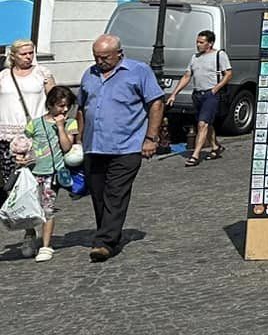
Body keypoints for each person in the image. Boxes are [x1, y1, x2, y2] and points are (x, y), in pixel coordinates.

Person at [78, 34, 166, 262]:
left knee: (115, 193)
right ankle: (109, 233)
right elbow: (81, 107)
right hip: (94, 146)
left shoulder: (138, 71)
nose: (100, 61)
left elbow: (156, 102)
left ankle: (105, 242)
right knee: (98, 194)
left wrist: (151, 138)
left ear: (119, 53)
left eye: (105, 57)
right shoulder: (90, 74)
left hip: (126, 146)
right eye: (96, 56)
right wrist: (79, 137)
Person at [23, 85, 78, 262]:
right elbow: (25, 143)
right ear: (51, 104)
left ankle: (46, 246)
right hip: (33, 171)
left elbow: (66, 146)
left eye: (67, 105)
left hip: (53, 173)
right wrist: (21, 156)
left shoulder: (70, 123)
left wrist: (61, 127)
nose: (65, 109)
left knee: (48, 208)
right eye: (61, 105)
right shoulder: (35, 124)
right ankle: (30, 236)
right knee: (30, 208)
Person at [168, 30, 231, 168]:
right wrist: (174, 93)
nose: (198, 45)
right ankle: (215, 147)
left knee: (202, 124)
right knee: (207, 123)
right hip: (197, 95)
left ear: (210, 43)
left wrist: (216, 88)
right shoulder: (194, 57)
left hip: (211, 94)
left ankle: (195, 155)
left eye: (201, 42)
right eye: (197, 42)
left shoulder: (219, 55)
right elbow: (186, 76)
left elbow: (228, 74)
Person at [3, 38, 52, 157]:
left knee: (34, 172)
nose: (28, 56)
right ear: (14, 56)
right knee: (9, 174)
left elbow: (55, 100)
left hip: (35, 133)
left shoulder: (42, 73)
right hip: (6, 134)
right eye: (24, 54)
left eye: (31, 53)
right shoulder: (3, 76)